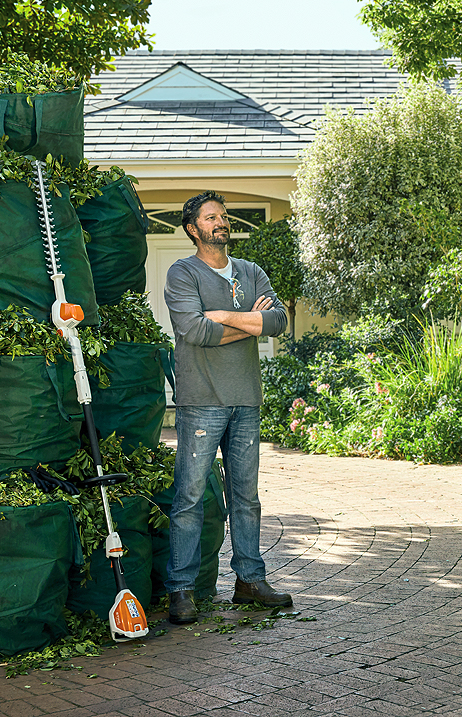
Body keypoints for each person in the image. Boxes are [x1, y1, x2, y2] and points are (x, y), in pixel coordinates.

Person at [162, 191, 292, 625]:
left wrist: (222, 316)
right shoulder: (183, 273)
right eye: (210, 217)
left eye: (223, 216)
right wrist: (246, 323)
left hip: (245, 400)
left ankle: (249, 581)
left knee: (246, 497)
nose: (220, 222)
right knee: (190, 498)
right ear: (192, 228)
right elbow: (193, 329)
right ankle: (181, 590)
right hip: (201, 402)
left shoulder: (251, 272)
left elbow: (277, 322)